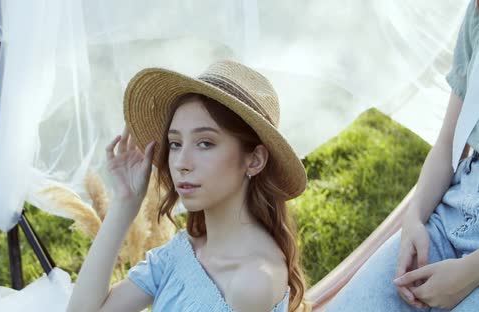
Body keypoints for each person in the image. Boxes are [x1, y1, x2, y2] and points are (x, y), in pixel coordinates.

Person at [66, 60, 310, 312]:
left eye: (205, 143)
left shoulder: (252, 282)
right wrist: (124, 203)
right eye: (175, 144)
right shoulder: (183, 253)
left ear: (255, 160)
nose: (181, 163)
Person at [326, 0, 479, 310]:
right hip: (457, 212)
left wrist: (468, 272)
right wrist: (413, 222)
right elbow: (448, 143)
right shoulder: (476, 14)